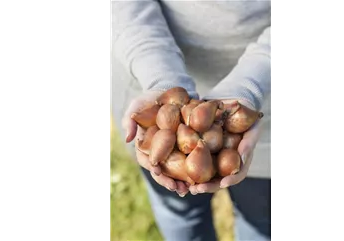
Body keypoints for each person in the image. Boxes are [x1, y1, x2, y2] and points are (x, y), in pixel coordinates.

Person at [111, 0, 271, 240]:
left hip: (265, 102)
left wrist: (250, 85)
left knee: (261, 219)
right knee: (181, 215)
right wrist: (160, 79)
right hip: (147, 77)